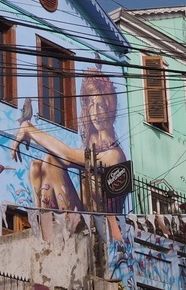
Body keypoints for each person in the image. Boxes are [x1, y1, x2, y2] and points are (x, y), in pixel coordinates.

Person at [10, 69, 126, 212]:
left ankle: (46, 219)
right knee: (37, 166)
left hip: (102, 227)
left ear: (110, 108)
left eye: (101, 106)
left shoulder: (115, 155)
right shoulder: (91, 151)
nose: (95, 113)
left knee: (51, 162)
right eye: (91, 105)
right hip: (86, 218)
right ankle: (43, 219)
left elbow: (67, 156)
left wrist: (29, 129)